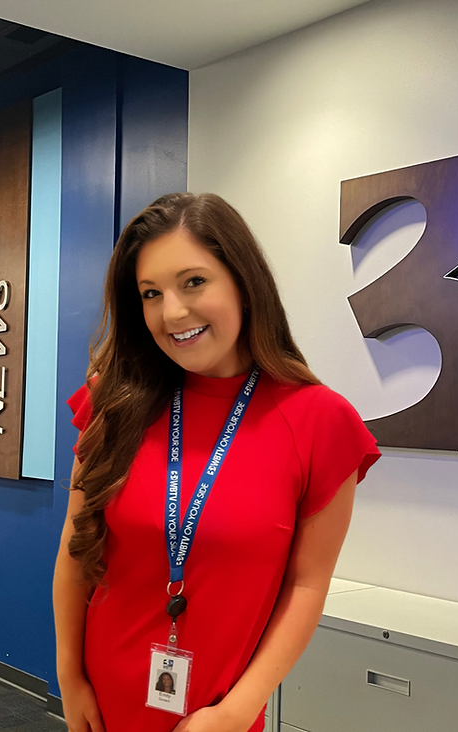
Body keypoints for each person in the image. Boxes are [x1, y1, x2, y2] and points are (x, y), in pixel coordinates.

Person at [53, 192, 380, 732]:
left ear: (243, 282)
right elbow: (75, 547)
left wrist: (237, 710)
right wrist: (71, 679)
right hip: (103, 700)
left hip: (219, 714)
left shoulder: (320, 421)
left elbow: (306, 586)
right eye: (151, 293)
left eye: (194, 282)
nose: (172, 312)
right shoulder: (113, 402)